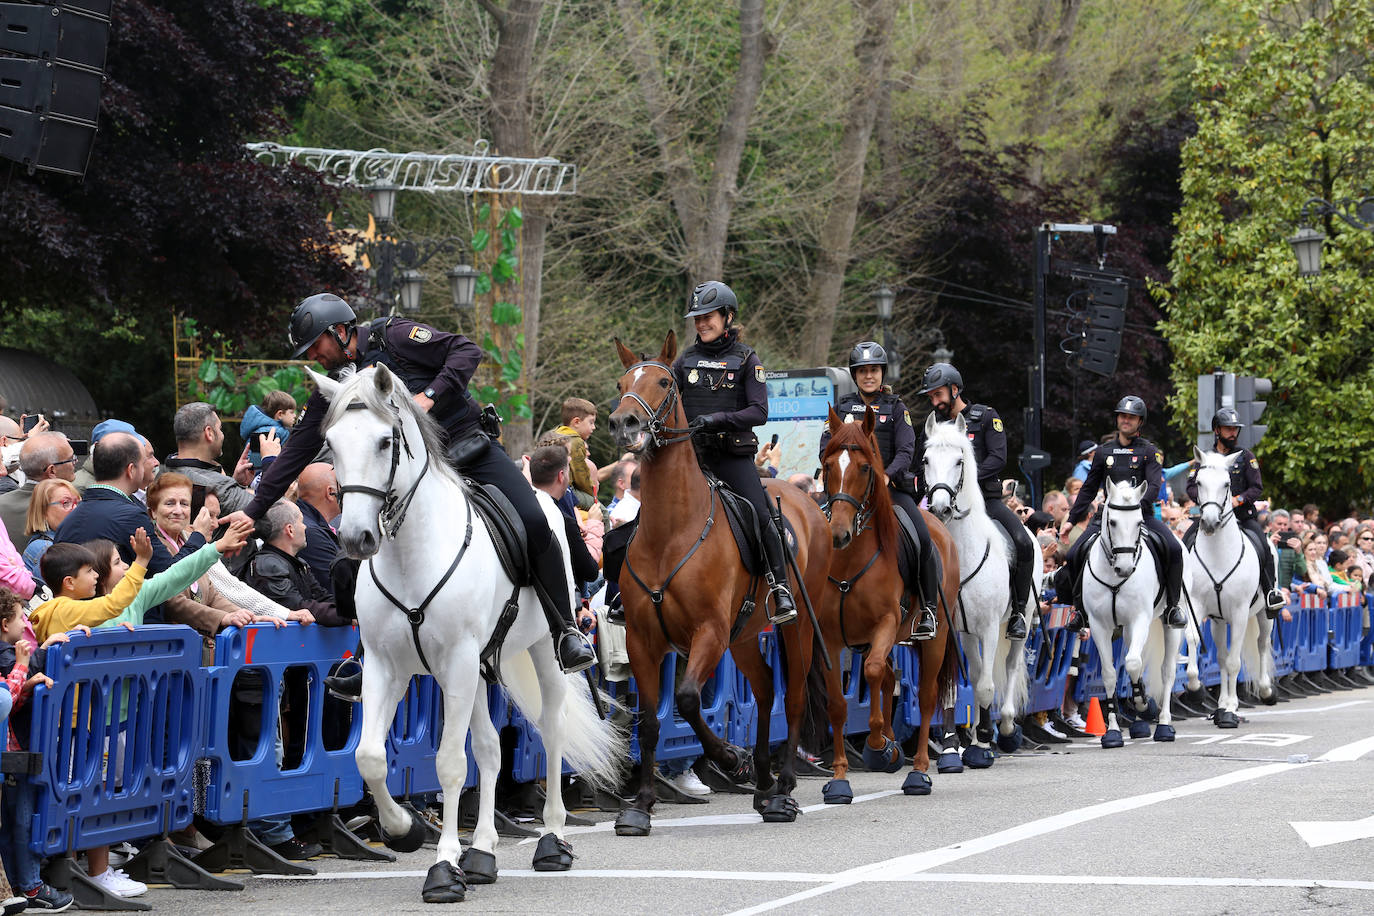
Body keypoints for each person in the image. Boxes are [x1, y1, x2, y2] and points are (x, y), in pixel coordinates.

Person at [220, 293, 595, 678]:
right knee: (351, 559)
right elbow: (295, 453)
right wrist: (253, 510)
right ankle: (366, 655)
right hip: (411, 481)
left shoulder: (395, 336)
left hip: (467, 450)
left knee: (534, 520)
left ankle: (564, 630)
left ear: (341, 330)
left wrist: (428, 397)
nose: (313, 355)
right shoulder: (335, 387)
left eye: (316, 344)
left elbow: (466, 351)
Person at [673, 280, 796, 624]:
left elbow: (759, 412)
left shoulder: (746, 358)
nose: (701, 324)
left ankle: (780, 587)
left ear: (728, 317)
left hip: (731, 457)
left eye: (708, 317)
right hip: (693, 458)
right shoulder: (685, 361)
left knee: (761, 513)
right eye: (697, 318)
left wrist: (716, 419)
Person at [818, 340, 939, 640]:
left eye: (873, 370)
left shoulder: (896, 408)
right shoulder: (842, 407)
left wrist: (886, 475)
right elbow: (826, 444)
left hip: (888, 489)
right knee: (809, 531)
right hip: (847, 489)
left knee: (922, 539)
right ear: (855, 374)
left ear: (882, 374)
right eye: (862, 371)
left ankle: (928, 610)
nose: (868, 376)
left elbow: (907, 448)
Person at [917, 362, 1035, 639]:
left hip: (985, 500)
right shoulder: (934, 427)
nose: (935, 401)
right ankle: (924, 610)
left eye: (938, 395)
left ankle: (1018, 611)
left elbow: (998, 457)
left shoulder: (985, 417)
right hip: (942, 504)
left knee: (1023, 541)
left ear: (954, 390)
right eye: (931, 397)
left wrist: (968, 480)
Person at [1056, 396, 1185, 630]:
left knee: (1174, 549)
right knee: (1075, 553)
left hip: (1141, 516)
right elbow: (1088, 488)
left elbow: (1155, 485)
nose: (1126, 421)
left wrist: (1136, 505)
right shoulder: (1104, 452)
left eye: (1131, 417)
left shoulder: (1149, 452)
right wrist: (1071, 520)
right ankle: (1079, 610)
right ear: (1117, 419)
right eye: (1123, 416)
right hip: (1107, 518)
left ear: (1140, 422)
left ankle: (1173, 606)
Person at [0, 587, 74, 912]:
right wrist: (35, 656)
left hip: (12, 754)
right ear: (5, 624)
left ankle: (15, 885)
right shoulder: (7, 654)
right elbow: (8, 695)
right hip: (16, 753)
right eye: (20, 617)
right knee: (23, 820)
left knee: (12, 822)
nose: (25, 621)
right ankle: (30, 886)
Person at [1183, 407, 1285, 613]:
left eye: (1235, 429)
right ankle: (1179, 593)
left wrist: (1237, 500)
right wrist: (1207, 501)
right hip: (1210, 515)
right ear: (1216, 430)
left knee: (1264, 548)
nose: (1232, 433)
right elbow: (1191, 487)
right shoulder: (1205, 458)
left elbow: (1256, 487)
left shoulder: (1245, 457)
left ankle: (1270, 592)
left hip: (1242, 516)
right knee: (1185, 543)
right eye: (1228, 429)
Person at [164, 403, 264, 515]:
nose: (222, 434)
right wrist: (271, 460)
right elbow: (271, 513)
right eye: (220, 428)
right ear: (209, 433)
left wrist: (235, 483)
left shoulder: (163, 475)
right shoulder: (216, 485)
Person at [0, 431, 77, 545]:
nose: (76, 461)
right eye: (71, 459)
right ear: (51, 471)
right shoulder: (64, 510)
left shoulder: (2, 503)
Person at [20, 478, 81, 582]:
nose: (75, 509)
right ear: (43, 511)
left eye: (78, 503)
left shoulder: (67, 540)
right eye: (66, 503)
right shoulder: (45, 549)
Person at [295, 462, 342, 595]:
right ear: (330, 492)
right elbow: (338, 589)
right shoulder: (310, 533)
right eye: (343, 486)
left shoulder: (309, 524)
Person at [553, 398, 599, 509]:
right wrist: (591, 494)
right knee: (601, 511)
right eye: (591, 422)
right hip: (567, 491)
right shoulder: (576, 441)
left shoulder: (553, 436)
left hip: (550, 487)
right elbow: (581, 475)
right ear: (577, 422)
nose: (594, 427)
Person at [240, 390, 297, 470]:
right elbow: (256, 464)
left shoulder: (268, 430)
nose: (295, 416)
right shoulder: (269, 433)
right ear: (280, 414)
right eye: (291, 412)